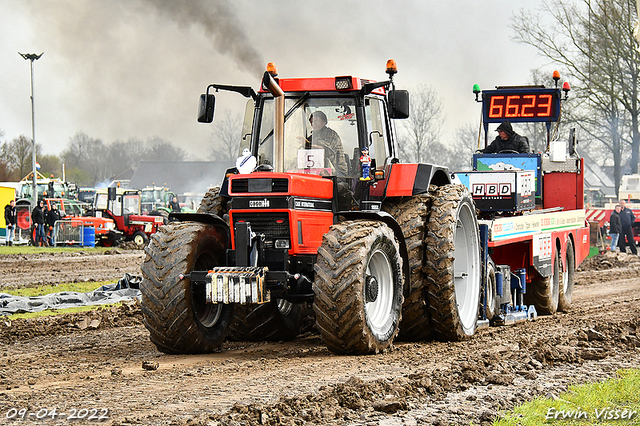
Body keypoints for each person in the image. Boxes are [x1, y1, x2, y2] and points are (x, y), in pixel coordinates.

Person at [307, 111, 349, 176]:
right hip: (318, 170)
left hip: (337, 172)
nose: (313, 124)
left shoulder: (331, 135)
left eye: (316, 121)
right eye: (312, 122)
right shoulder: (313, 136)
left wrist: (307, 145)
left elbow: (325, 150)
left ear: (324, 122)